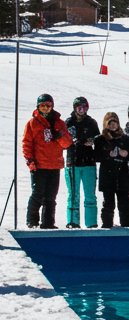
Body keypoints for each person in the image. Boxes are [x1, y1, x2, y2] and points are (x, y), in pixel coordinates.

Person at [22, 93, 72, 229]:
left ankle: (48, 223)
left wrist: (59, 136)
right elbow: (27, 143)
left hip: (54, 165)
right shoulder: (32, 123)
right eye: (43, 106)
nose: (45, 108)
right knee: (37, 194)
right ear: (38, 107)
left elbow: (67, 143)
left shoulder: (59, 123)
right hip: (39, 165)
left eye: (48, 105)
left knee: (51, 197)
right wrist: (30, 160)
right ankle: (32, 221)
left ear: (52, 106)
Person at [93, 112, 129, 228]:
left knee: (124, 202)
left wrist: (125, 153)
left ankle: (127, 225)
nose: (112, 126)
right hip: (108, 176)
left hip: (122, 175)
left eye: (114, 123)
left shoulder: (124, 138)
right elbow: (96, 156)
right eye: (110, 123)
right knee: (108, 203)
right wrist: (108, 155)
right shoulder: (101, 139)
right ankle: (107, 225)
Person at [64, 96, 99, 228]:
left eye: (83, 107)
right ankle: (73, 222)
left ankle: (91, 223)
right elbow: (63, 140)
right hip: (73, 162)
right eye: (78, 107)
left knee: (90, 195)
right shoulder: (68, 122)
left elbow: (99, 138)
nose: (81, 109)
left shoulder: (91, 122)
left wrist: (92, 140)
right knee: (73, 195)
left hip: (89, 162)